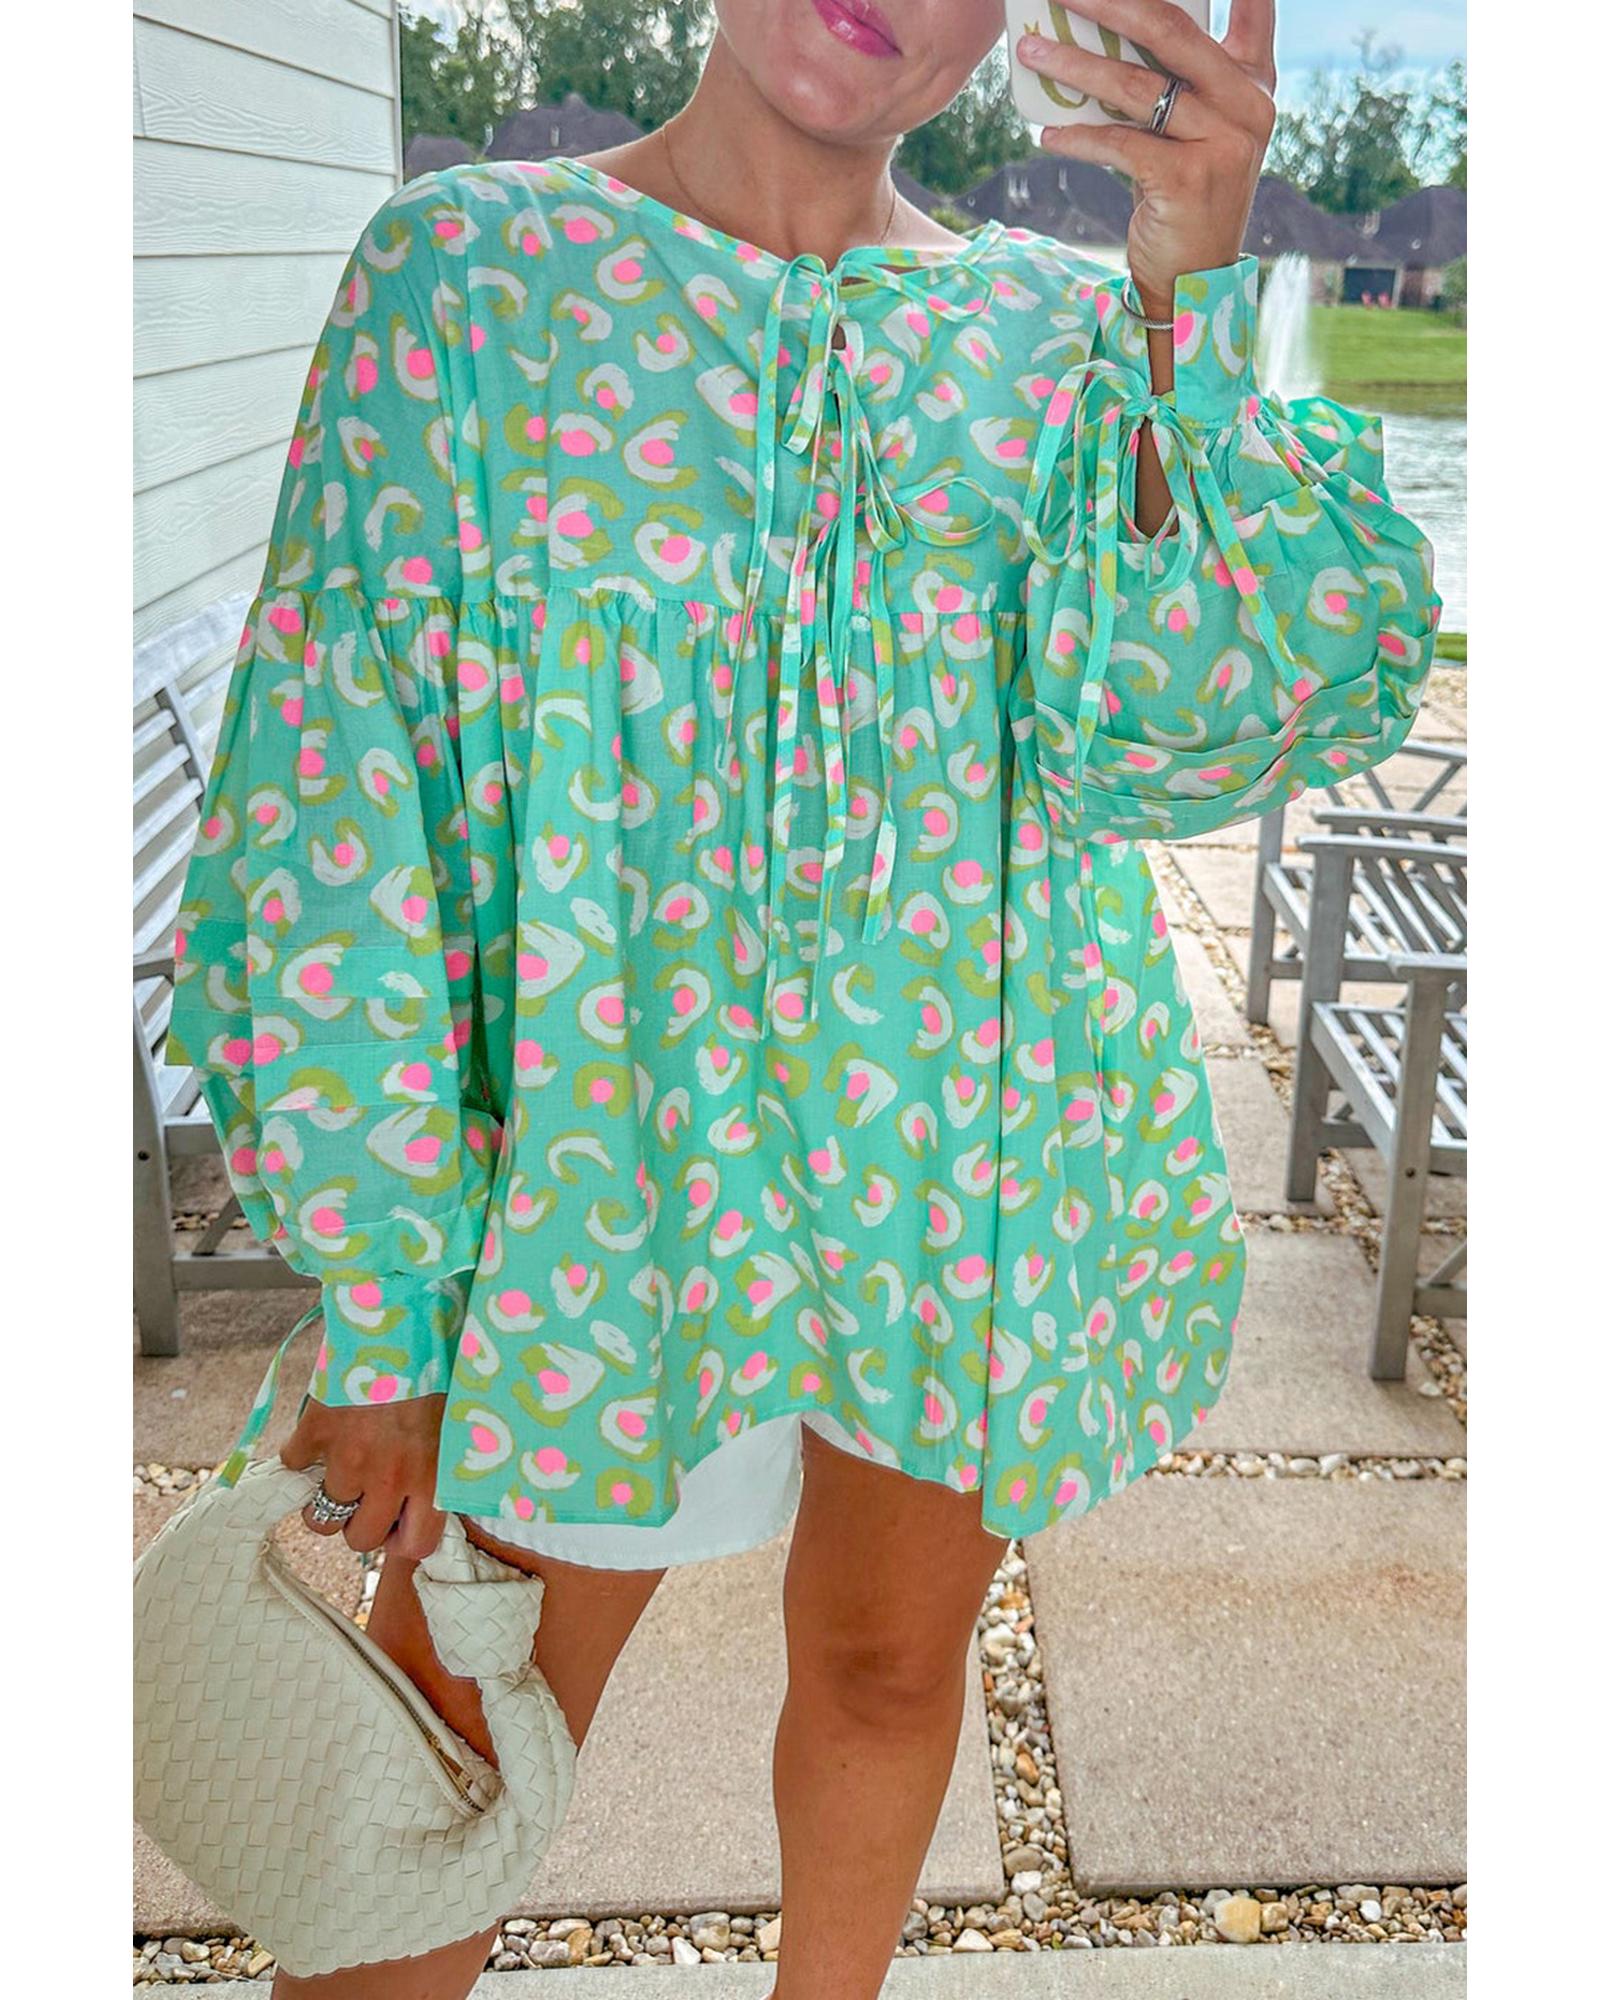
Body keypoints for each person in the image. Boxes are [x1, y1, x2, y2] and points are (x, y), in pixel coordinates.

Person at [163, 2, 1439, 1994]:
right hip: (596, 1177)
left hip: (966, 1163)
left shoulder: (1054, 331)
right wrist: (387, 1298)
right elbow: (344, 801)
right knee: (445, 1734)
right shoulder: (473, 280)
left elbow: (1176, 743)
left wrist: (1184, 294)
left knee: (885, 1670)